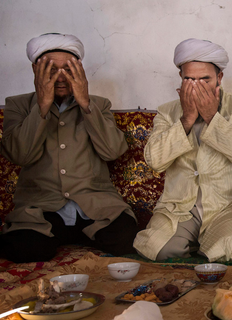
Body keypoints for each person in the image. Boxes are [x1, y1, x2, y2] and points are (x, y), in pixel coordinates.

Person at [0, 33, 138, 263]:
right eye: (51, 70)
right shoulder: (18, 105)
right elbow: (20, 154)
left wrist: (85, 104)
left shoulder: (99, 104)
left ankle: (75, 234)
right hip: (42, 208)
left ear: (80, 71)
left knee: (125, 239)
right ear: (36, 70)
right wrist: (42, 106)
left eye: (69, 69)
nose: (61, 77)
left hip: (95, 206)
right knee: (25, 249)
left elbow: (112, 151)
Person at [133, 39, 232, 262]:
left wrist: (213, 117)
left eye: (205, 79)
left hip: (228, 207)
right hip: (179, 208)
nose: (197, 87)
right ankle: (191, 243)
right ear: (181, 80)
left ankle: (205, 245)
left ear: (219, 78)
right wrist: (187, 119)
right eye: (189, 80)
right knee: (156, 248)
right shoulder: (167, 112)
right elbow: (155, 161)